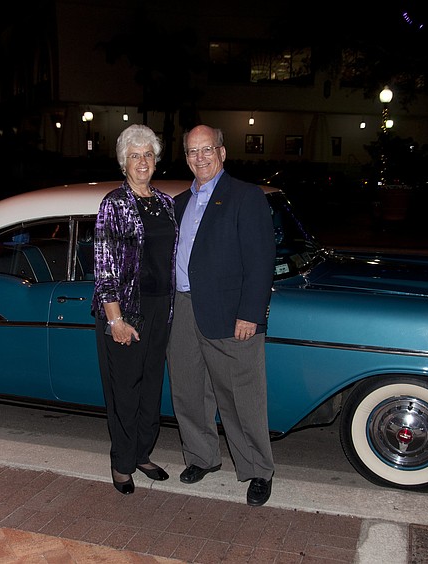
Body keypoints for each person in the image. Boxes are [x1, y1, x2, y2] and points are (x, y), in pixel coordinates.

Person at [167, 124, 276, 507]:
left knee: (240, 398)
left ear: (222, 152)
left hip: (232, 314)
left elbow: (262, 261)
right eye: (193, 151)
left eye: (207, 149)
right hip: (182, 309)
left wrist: (250, 313)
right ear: (186, 157)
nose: (200, 157)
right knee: (189, 391)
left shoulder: (246, 197)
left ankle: (258, 470)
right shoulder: (177, 203)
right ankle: (202, 457)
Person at [92, 124, 178, 495]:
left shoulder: (166, 203)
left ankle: (143, 453)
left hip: (161, 309)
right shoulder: (113, 203)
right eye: (134, 155)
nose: (142, 161)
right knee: (124, 391)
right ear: (123, 162)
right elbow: (103, 265)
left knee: (151, 388)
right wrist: (115, 320)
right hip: (124, 311)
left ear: (155, 160)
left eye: (147, 154)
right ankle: (122, 464)